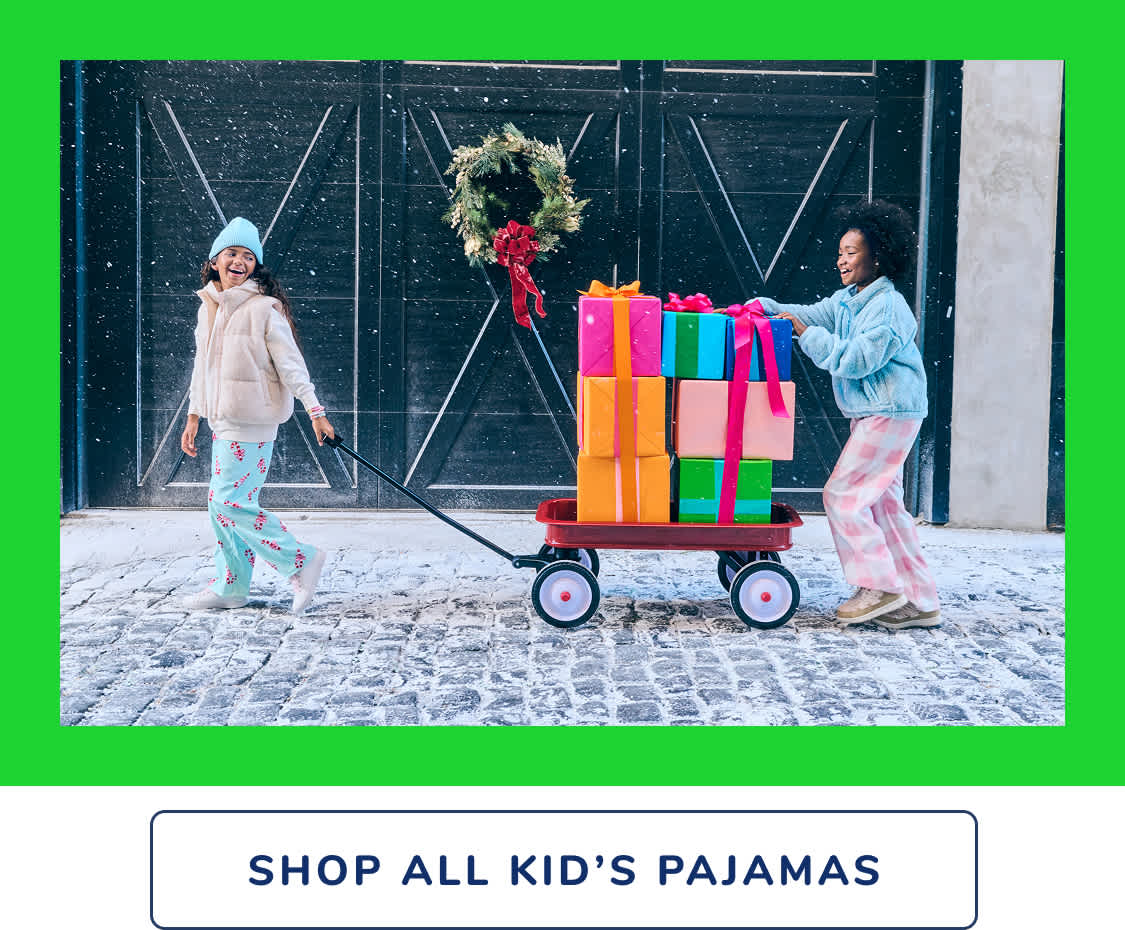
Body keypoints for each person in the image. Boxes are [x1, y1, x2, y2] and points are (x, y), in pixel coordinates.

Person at [755, 199, 940, 629]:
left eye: (851, 252)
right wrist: (763, 307)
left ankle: (879, 586)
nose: (841, 260)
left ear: (878, 256)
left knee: (843, 494)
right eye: (839, 252)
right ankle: (919, 599)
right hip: (875, 411)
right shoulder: (851, 299)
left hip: (892, 410)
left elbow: (856, 360)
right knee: (884, 506)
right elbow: (812, 314)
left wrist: (808, 336)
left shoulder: (888, 307)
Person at [180, 217, 334, 614]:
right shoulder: (209, 309)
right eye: (232, 252)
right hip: (222, 419)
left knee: (229, 501)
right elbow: (202, 368)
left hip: (254, 419)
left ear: (255, 266)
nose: (240, 261)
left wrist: (315, 410)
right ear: (215, 261)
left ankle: (300, 559)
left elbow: (291, 365)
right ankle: (231, 586)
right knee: (222, 504)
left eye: (249, 256)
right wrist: (193, 416)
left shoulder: (265, 309)